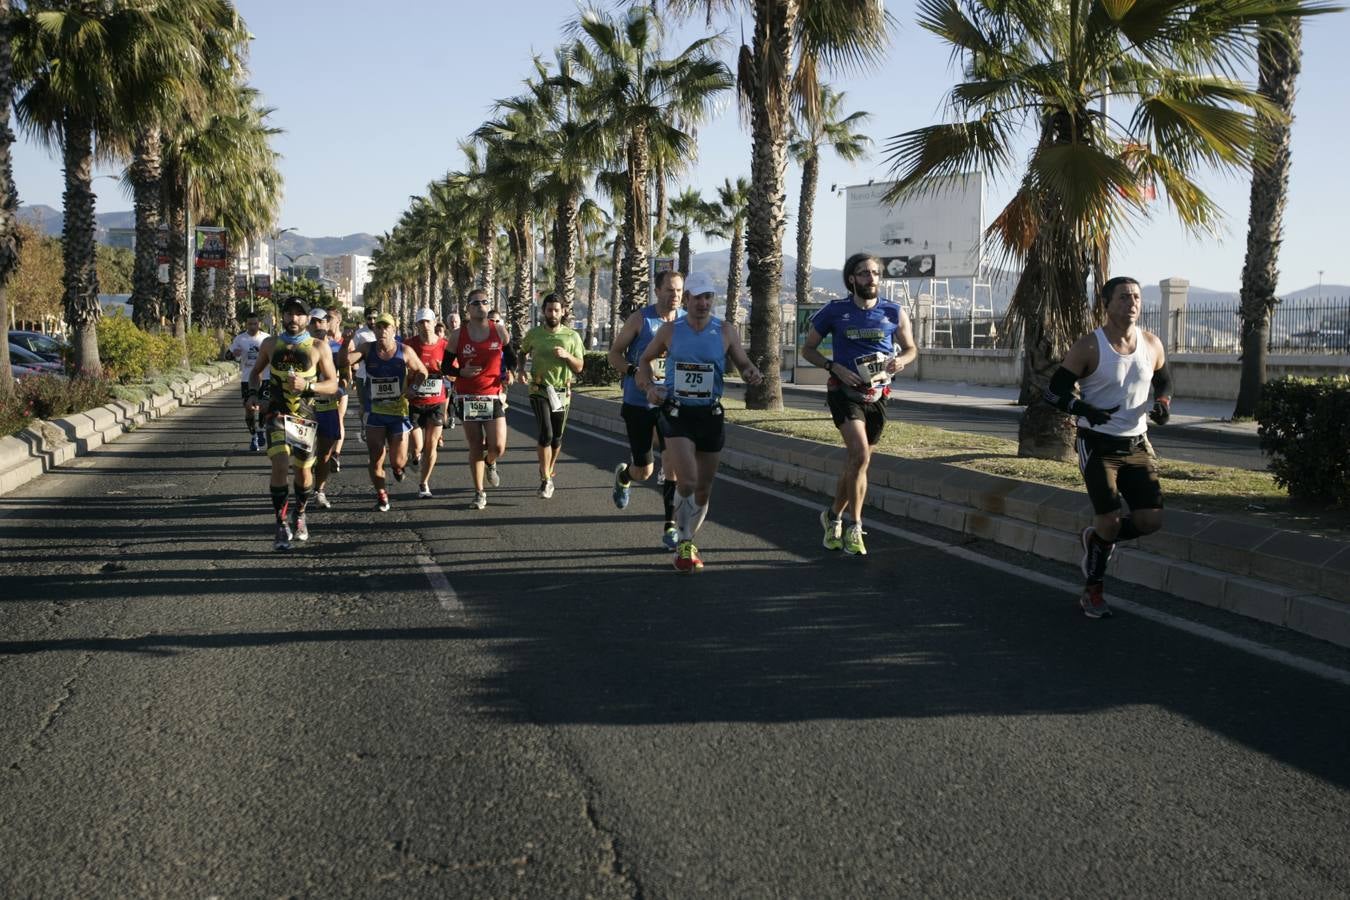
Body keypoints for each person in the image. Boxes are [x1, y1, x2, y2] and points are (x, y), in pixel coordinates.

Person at [1044, 275, 1171, 619]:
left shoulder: (1152, 343)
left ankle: (1097, 540)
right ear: (1107, 304)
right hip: (1097, 445)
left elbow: (1163, 379)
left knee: (1150, 520)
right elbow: (1053, 393)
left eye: (1136, 298)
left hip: (1137, 443)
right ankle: (1093, 591)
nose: (1132, 304)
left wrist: (1162, 403)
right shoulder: (1089, 346)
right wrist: (1084, 409)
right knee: (1111, 520)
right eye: (1123, 298)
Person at [637, 270, 762, 572]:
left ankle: (688, 539)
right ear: (687, 298)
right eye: (698, 297)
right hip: (677, 412)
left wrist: (751, 373)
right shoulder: (670, 330)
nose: (703, 303)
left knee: (704, 488)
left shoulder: (725, 330)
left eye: (709, 297)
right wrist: (650, 387)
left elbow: (743, 362)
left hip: (710, 414)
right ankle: (681, 536)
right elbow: (644, 361)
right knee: (688, 480)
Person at [801, 253, 917, 557]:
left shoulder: (893, 311)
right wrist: (832, 367)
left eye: (876, 273)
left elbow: (911, 348)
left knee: (857, 463)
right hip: (843, 392)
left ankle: (832, 516)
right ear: (852, 279)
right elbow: (808, 349)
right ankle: (855, 526)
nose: (871, 279)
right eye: (864, 273)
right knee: (860, 454)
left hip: (878, 394)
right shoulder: (835, 311)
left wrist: (900, 362)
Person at [245, 297, 339, 551]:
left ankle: (300, 514)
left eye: (299, 314)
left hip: (305, 419)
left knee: (302, 472)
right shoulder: (270, 344)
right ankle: (280, 524)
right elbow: (255, 374)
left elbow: (332, 385)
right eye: (289, 313)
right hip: (276, 415)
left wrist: (308, 386)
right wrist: (253, 395)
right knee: (280, 464)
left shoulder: (318, 347)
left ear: (307, 319)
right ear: (282, 317)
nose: (293, 319)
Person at [607, 268, 685, 549]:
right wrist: (633, 372)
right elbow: (613, 354)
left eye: (679, 290)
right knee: (645, 471)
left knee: (673, 465)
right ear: (658, 291)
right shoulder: (640, 319)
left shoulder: (686, 323)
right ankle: (625, 476)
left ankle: (670, 527)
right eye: (670, 290)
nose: (675, 295)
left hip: (673, 405)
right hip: (638, 402)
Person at [338, 312, 428, 512]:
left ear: (393, 330)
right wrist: (345, 343)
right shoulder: (367, 349)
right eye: (378, 327)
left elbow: (423, 371)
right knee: (376, 455)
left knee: (397, 461)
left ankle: (398, 469)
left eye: (386, 327)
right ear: (375, 330)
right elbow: (343, 362)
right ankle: (381, 495)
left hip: (398, 412)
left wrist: (414, 388)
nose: (382, 330)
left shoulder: (404, 351)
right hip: (375, 411)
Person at [445, 289, 515, 509]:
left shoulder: (500, 331)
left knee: (498, 446)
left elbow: (512, 359)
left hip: (492, 395)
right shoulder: (458, 335)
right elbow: (445, 366)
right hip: (468, 396)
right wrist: (460, 373)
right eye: (475, 303)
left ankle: (490, 462)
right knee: (475, 445)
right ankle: (479, 492)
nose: (480, 306)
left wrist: (511, 372)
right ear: (468, 307)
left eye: (484, 302)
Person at [518, 293, 585, 498]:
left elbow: (580, 367)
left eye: (557, 310)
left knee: (556, 438)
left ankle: (548, 467)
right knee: (545, 433)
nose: (553, 313)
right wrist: (521, 370)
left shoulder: (572, 336)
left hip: (561, 392)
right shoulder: (535, 334)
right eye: (549, 309)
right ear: (543, 311)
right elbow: (522, 352)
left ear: (563, 311)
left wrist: (567, 356)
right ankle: (546, 479)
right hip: (539, 389)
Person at [405, 307, 451, 498]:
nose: (425, 326)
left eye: (428, 322)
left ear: (434, 323)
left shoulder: (445, 346)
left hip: (436, 401)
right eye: (421, 322)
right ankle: (414, 458)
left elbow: (454, 377)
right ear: (416, 325)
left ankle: (424, 483)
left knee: (431, 445)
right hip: (415, 402)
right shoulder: (409, 345)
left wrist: (445, 371)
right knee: (417, 447)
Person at [310, 308, 347, 509]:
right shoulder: (300, 347)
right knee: (303, 453)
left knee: (324, 452)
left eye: (321, 322)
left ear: (327, 324)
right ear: (308, 325)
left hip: (328, 405)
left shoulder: (335, 347)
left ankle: (319, 491)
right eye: (313, 322)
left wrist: (344, 381)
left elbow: (345, 371)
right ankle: (304, 488)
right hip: (305, 406)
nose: (317, 326)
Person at [230, 313, 270, 451]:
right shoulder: (240, 339)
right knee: (249, 410)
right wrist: (233, 354)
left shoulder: (266, 338)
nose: (252, 326)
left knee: (264, 407)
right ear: (246, 325)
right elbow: (228, 354)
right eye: (250, 324)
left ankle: (261, 429)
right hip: (247, 379)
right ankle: (254, 436)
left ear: (259, 324)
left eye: (255, 323)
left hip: (265, 377)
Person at [351, 307, 378, 442]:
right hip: (363, 375)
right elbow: (352, 352)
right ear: (365, 319)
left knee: (378, 405)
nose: (372, 321)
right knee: (364, 405)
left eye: (375, 318)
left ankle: (376, 428)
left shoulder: (383, 331)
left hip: (380, 376)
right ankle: (364, 426)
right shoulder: (360, 334)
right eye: (369, 318)